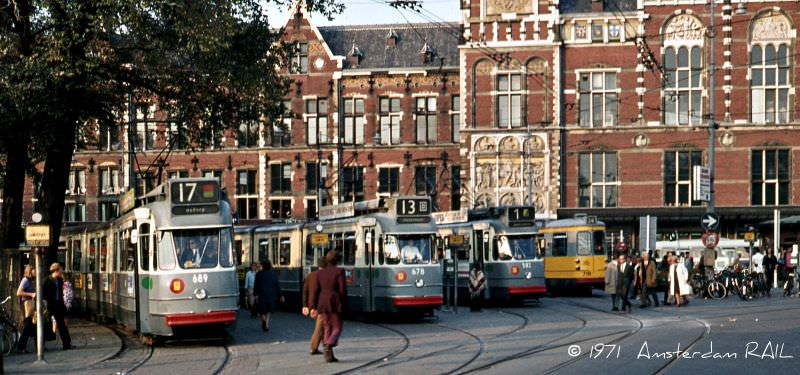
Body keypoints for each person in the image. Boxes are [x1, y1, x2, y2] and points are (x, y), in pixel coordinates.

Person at [310, 251, 347, 363]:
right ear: (337, 260)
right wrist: (343, 302)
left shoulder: (320, 273)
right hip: (334, 301)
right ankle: (329, 345)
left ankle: (329, 355)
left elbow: (316, 290)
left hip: (322, 302)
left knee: (327, 327)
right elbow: (342, 290)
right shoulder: (339, 271)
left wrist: (313, 306)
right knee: (337, 327)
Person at [43, 263, 71, 349]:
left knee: (62, 324)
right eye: (60, 270)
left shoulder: (59, 280)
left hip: (59, 305)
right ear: (56, 270)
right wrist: (45, 306)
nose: (62, 271)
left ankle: (66, 344)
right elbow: (44, 294)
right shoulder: (47, 280)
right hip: (50, 305)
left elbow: (60, 293)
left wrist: (63, 306)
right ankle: (41, 344)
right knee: (45, 324)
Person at [302, 257, 327, 355]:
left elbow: (305, 291)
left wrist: (305, 305)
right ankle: (316, 347)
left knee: (322, 326)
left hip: (312, 305)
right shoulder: (325, 277)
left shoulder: (311, 275)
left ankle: (321, 346)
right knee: (320, 327)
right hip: (320, 306)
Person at [253, 260, 283, 332]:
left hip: (262, 295)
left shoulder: (259, 274)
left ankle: (263, 319)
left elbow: (256, 285)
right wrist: (280, 295)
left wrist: (255, 294)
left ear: (263, 266)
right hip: (271, 295)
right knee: (268, 311)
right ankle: (266, 324)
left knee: (262, 310)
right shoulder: (273, 274)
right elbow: (277, 285)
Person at [15, 265, 36, 353]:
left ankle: (38, 345)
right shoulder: (25, 280)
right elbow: (19, 292)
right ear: (30, 271)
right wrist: (31, 294)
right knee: (27, 327)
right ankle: (20, 347)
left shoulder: (31, 281)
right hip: (27, 305)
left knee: (33, 326)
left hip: (30, 304)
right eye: (33, 271)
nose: (35, 272)